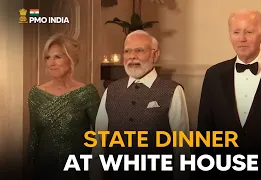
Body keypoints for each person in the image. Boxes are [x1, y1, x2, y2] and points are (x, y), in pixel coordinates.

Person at [195, 9, 261, 179]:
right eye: (236, 32)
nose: (242, 38)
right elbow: (204, 134)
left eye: (249, 32)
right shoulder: (213, 75)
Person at [90, 30, 190, 180]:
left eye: (139, 50)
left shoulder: (173, 91)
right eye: (127, 51)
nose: (132, 57)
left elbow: (181, 149)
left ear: (155, 55)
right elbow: (98, 144)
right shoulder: (111, 90)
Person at [27, 33, 101, 180]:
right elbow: (34, 136)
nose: (51, 63)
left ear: (71, 59)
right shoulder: (36, 94)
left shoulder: (87, 93)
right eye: (48, 58)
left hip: (77, 169)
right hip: (44, 169)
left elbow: (100, 136)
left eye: (58, 57)